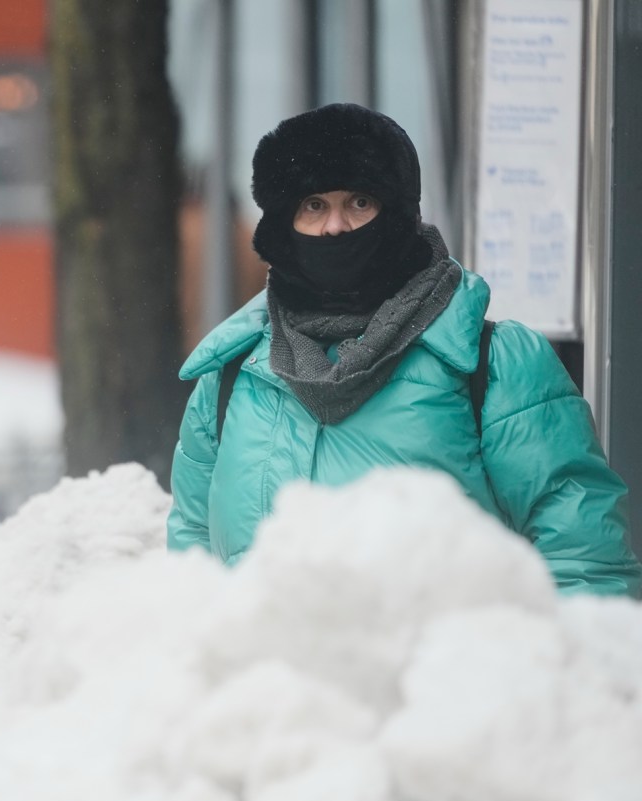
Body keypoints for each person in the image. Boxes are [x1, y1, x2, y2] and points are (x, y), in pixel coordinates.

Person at [167, 103, 640, 598]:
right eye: (313, 206)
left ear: (400, 212)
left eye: (359, 202)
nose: (334, 227)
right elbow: (192, 567)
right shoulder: (231, 375)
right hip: (273, 676)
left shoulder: (492, 363)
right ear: (282, 223)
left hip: (447, 674)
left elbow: (584, 563)